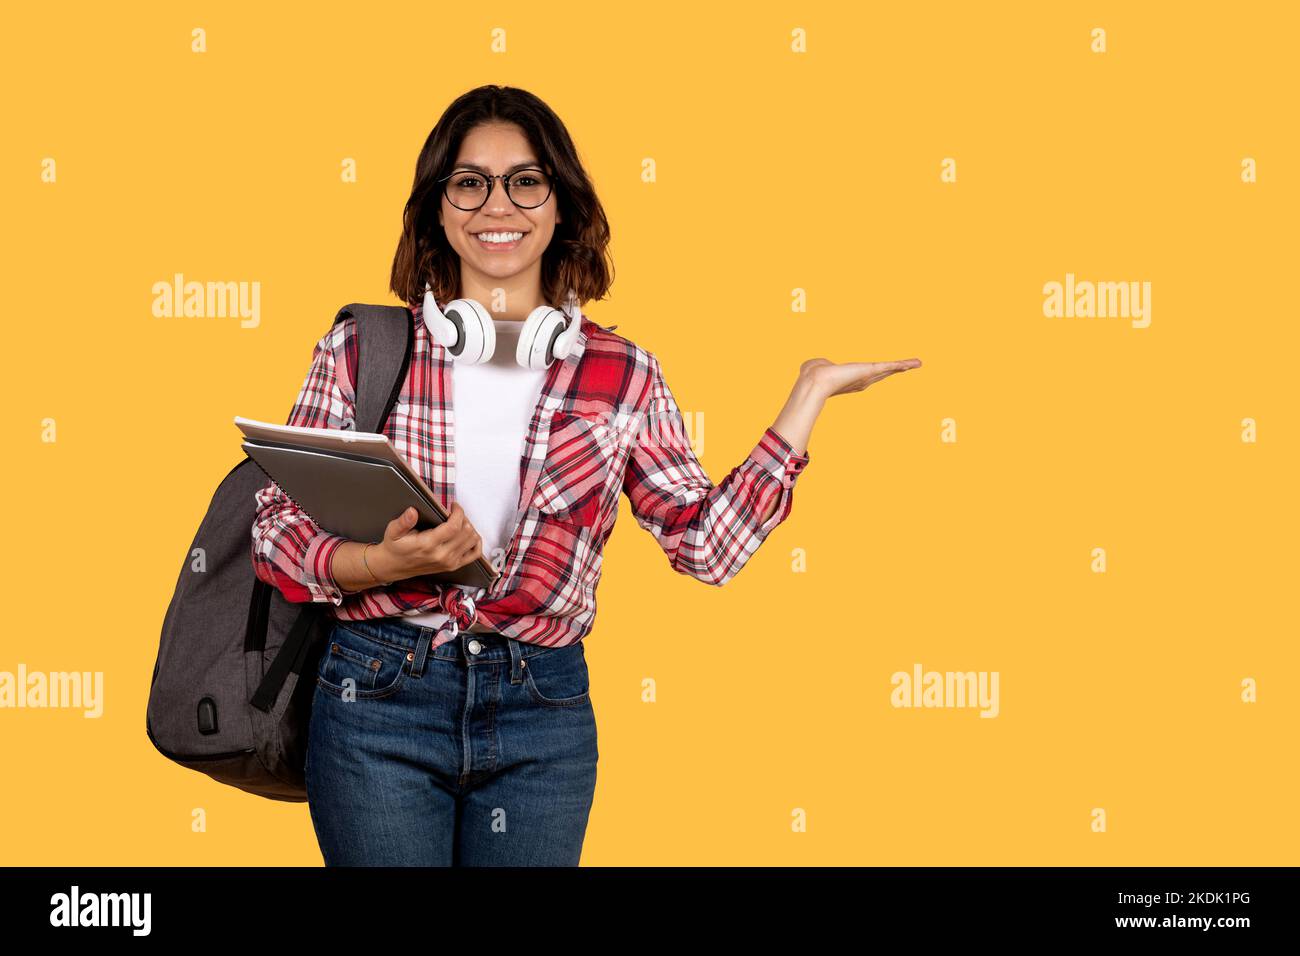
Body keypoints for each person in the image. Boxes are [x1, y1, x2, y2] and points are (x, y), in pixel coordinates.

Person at [250, 84, 921, 866]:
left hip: (543, 711)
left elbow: (705, 549)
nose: (496, 204)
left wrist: (805, 401)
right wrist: (375, 565)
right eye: (469, 182)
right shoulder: (360, 351)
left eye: (525, 181)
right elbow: (274, 528)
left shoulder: (622, 373)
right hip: (379, 701)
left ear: (560, 203)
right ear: (438, 206)